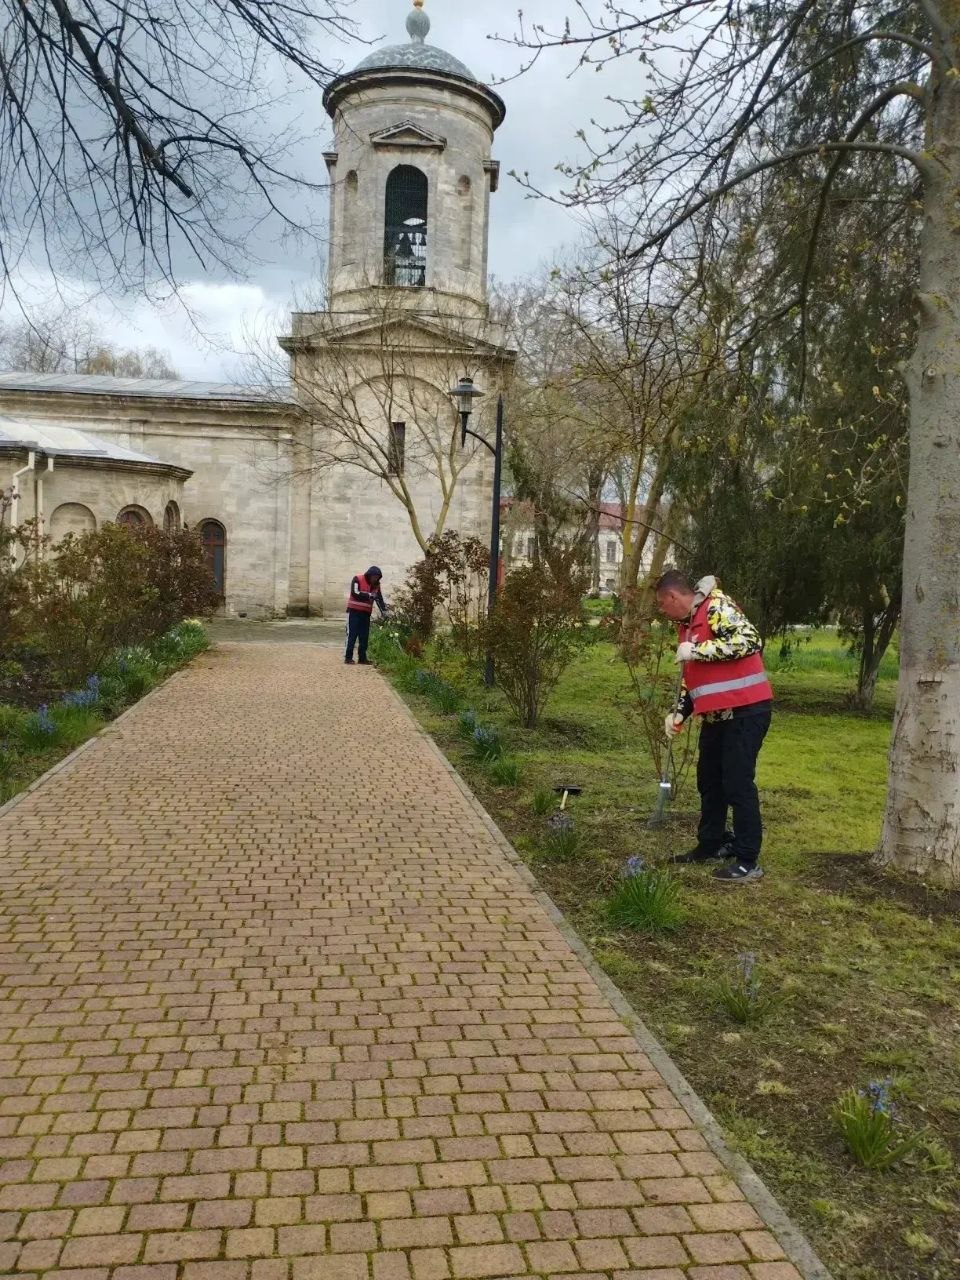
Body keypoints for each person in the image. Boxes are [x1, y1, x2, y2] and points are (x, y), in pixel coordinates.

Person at [656, 570, 773, 884]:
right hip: (716, 716)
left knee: (737, 783)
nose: (662, 612)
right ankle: (712, 844)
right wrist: (678, 714)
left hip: (746, 710)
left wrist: (698, 650)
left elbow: (750, 640)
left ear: (672, 597)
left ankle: (748, 859)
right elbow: (693, 677)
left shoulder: (715, 607)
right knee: (709, 782)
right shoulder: (687, 626)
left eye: (661, 605)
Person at [345, 566, 388, 665]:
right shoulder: (357, 579)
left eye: (377, 577)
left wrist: (385, 612)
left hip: (366, 613)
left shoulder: (376, 586)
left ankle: (362, 658)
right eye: (374, 576)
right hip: (354, 612)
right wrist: (369, 595)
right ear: (369, 575)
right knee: (352, 635)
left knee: (364, 636)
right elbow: (355, 592)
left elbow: (379, 599)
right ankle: (348, 657)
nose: (375, 579)